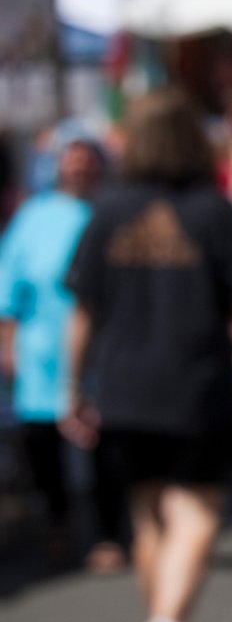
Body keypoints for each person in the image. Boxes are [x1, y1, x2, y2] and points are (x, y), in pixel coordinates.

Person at [61, 90, 232, 622]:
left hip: (124, 386)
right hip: (194, 381)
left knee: (148, 515)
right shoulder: (212, 210)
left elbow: (83, 311)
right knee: (197, 508)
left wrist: (72, 388)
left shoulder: (109, 211)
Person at [0, 126, 127, 571]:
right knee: (43, 445)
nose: (78, 164)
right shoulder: (34, 215)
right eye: (70, 156)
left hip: (106, 349)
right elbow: (9, 285)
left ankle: (110, 532)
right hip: (44, 351)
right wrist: (7, 342)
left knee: (106, 443)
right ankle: (59, 524)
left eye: (86, 155)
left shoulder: (114, 210)